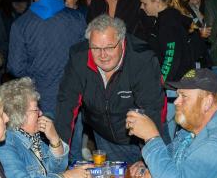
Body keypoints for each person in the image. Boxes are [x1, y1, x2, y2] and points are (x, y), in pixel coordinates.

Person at [55, 14, 165, 164]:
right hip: (104, 133)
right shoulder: (79, 58)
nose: (102, 55)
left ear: (122, 42)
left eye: (109, 47)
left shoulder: (141, 60)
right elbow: (66, 105)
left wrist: (147, 159)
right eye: (96, 48)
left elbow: (153, 110)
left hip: (143, 134)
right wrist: (58, 155)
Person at [0, 77, 92, 178]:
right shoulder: (5, 145)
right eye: (36, 110)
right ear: (19, 114)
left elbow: (56, 171)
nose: (41, 113)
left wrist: (54, 140)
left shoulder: (33, 138)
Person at [8, 0, 85, 115]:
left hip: (38, 100)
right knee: (70, 138)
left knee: (41, 138)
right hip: (72, 97)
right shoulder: (77, 18)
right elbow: (84, 57)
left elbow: (15, 67)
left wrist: (37, 75)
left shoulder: (20, 24)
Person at [139, 0, 194, 141]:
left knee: (167, 129)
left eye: (145, 3)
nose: (142, 7)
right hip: (179, 81)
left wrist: (162, 80)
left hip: (174, 84)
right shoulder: (168, 18)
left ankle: (167, 161)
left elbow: (171, 55)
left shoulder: (167, 24)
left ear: (157, 3)